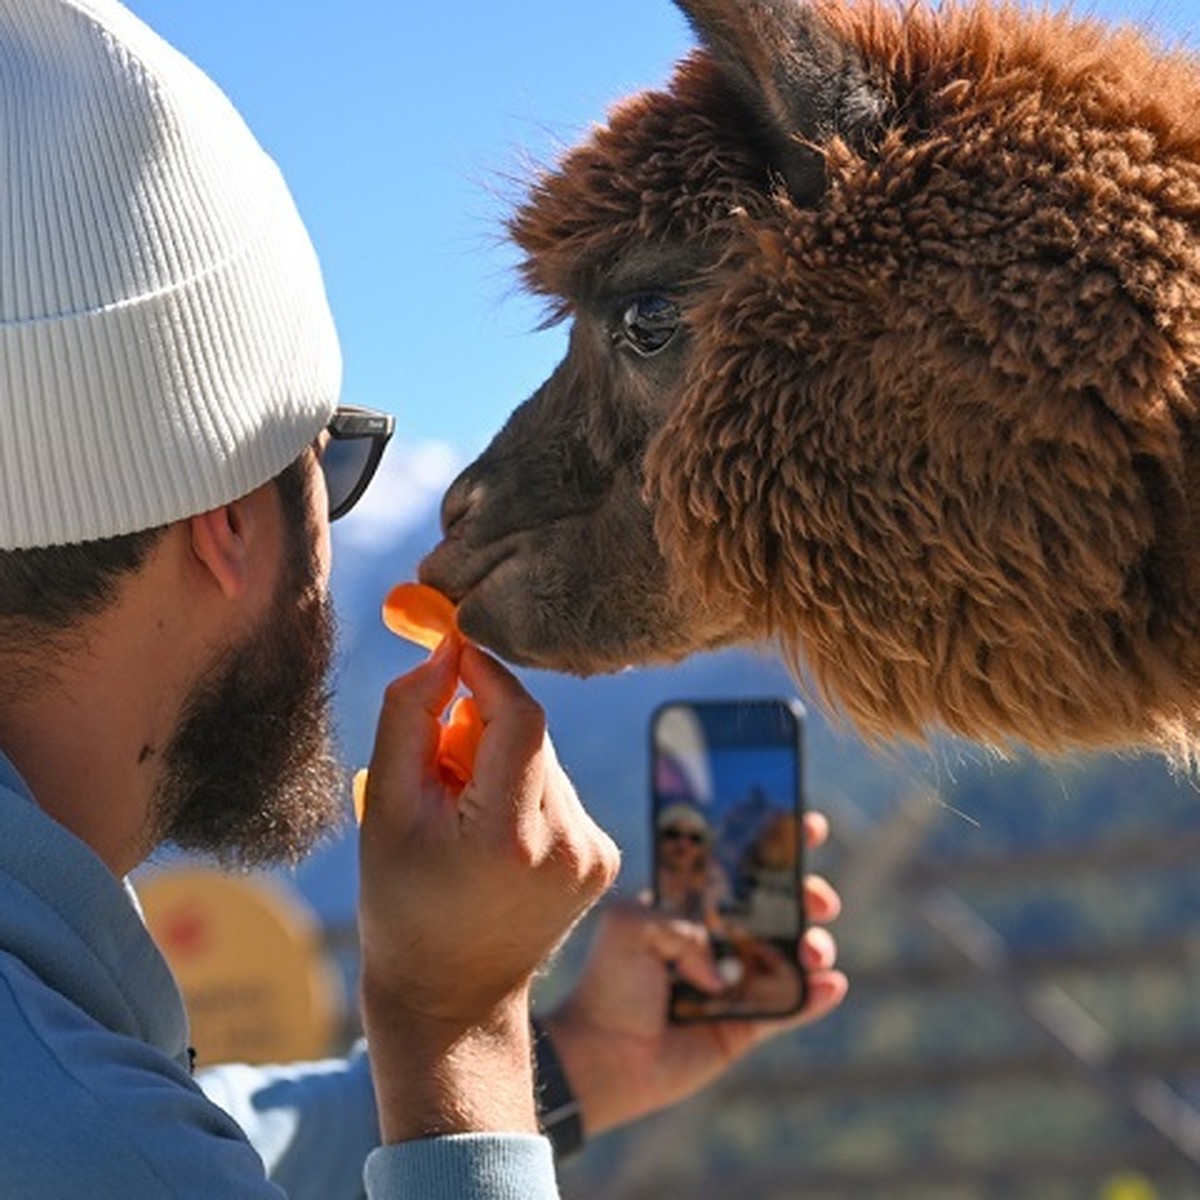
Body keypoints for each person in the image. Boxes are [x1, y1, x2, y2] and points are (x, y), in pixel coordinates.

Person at [0, 1, 849, 1197]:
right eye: (330, 465)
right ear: (229, 521)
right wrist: (455, 1026)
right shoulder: (93, 1143)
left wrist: (571, 1065)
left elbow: (185, 1128)